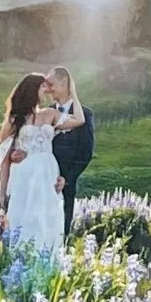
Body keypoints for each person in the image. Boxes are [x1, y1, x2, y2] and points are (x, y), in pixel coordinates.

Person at [0, 74, 67, 277]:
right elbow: (5, 160)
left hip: (46, 180)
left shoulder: (51, 114)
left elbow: (58, 147)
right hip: (23, 180)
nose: (47, 91)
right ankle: (16, 273)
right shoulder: (15, 119)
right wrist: (2, 197)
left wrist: (63, 175)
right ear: (33, 89)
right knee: (21, 223)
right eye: (44, 87)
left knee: (46, 222)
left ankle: (44, 274)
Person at [45, 65, 95, 236]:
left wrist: (67, 178)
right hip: (41, 177)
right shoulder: (45, 113)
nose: (47, 89)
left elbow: (85, 153)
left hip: (65, 183)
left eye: (51, 84)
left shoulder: (84, 114)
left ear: (64, 82)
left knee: (60, 231)